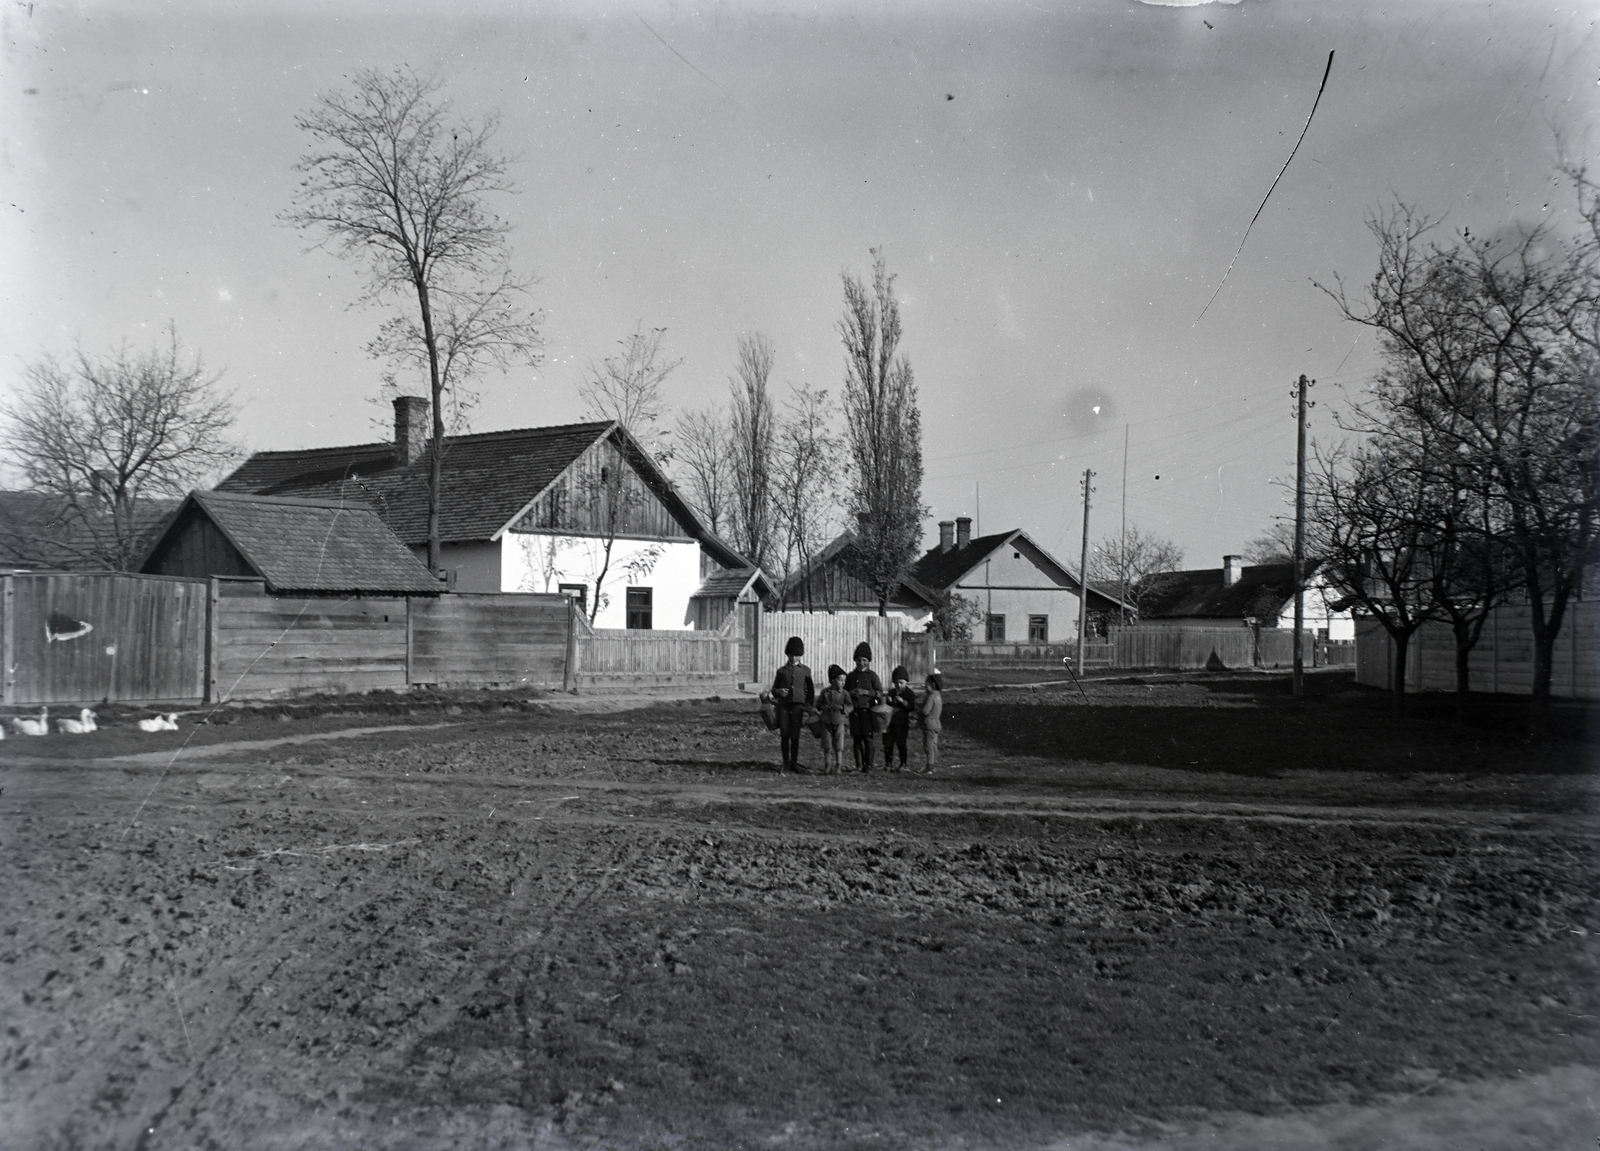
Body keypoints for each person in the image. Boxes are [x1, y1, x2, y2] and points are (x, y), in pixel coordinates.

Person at [770, 636, 814, 772]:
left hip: (798, 707)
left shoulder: (806, 671)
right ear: (787, 654)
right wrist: (778, 691)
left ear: (800, 656)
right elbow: (773, 689)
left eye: (796, 656)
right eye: (791, 655)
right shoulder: (782, 671)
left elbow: (810, 690)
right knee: (785, 734)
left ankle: (794, 762)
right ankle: (786, 763)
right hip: (783, 706)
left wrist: (809, 705)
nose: (794, 658)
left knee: (795, 734)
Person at [844, 641, 883, 772]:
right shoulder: (851, 676)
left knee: (868, 739)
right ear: (855, 660)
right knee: (856, 739)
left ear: (869, 661)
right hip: (854, 712)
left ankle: (869, 765)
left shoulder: (872, 676)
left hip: (868, 711)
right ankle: (859, 764)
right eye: (859, 660)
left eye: (864, 660)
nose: (861, 663)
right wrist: (851, 693)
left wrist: (866, 692)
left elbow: (879, 693)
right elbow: (844, 692)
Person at [815, 664, 851, 775]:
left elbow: (850, 706)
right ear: (833, 680)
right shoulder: (825, 692)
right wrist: (821, 707)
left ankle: (838, 766)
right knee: (827, 745)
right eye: (840, 680)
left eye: (844, 681)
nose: (843, 683)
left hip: (839, 722)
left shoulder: (845, 693)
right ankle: (827, 766)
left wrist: (841, 707)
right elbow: (818, 704)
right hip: (826, 722)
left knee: (838, 746)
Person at [882, 664, 917, 772]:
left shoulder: (909, 693)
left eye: (901, 682)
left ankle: (903, 763)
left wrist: (903, 702)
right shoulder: (891, 692)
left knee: (901, 744)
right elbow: (886, 707)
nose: (898, 685)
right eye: (896, 682)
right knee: (888, 744)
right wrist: (888, 701)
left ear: (906, 682)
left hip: (902, 723)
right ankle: (888, 763)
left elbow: (911, 707)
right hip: (890, 723)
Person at [918, 671, 943, 775]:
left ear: (933, 685)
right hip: (936, 724)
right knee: (933, 745)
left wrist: (917, 708)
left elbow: (925, 711)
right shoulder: (938, 695)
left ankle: (929, 766)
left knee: (928, 746)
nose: (925, 686)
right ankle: (934, 764)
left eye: (926, 683)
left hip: (929, 725)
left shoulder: (931, 696)